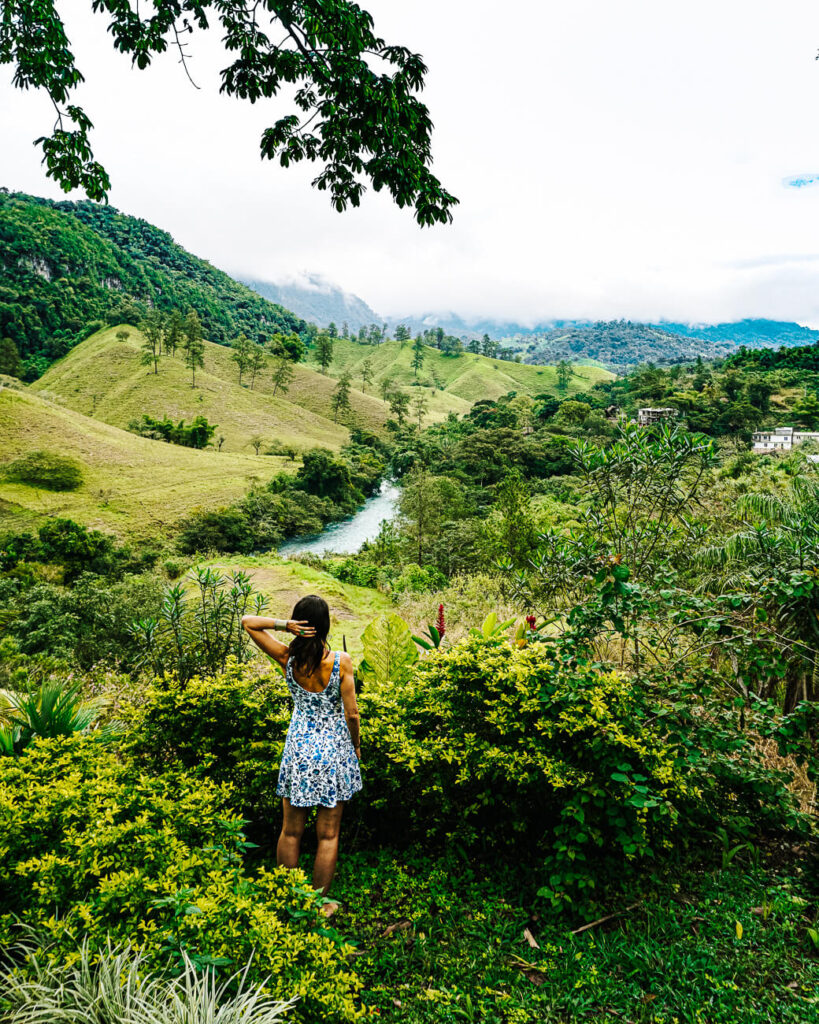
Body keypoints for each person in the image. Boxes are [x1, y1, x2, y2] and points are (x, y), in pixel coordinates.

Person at [242, 595, 361, 916]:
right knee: (328, 834)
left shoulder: (287, 658)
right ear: (325, 626)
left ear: (299, 624)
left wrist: (284, 626)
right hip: (333, 750)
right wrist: (357, 747)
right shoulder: (340, 661)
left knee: (291, 830)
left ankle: (289, 899)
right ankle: (320, 906)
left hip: (299, 749)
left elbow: (248, 623)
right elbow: (352, 715)